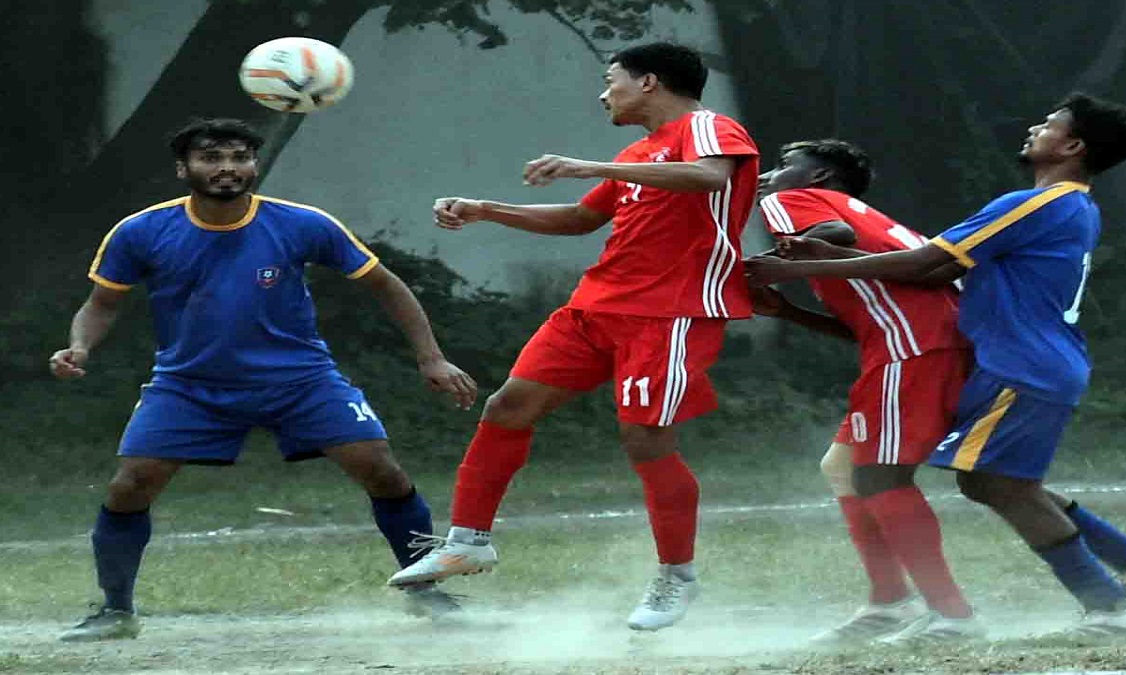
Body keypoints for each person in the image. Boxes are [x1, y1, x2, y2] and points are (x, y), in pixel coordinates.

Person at [745, 93, 1126, 638]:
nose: (1034, 128)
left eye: (1049, 124)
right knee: (989, 482)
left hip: (1023, 363)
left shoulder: (1033, 204)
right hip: (1029, 360)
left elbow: (930, 265)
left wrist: (799, 267)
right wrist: (822, 275)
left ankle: (1113, 607)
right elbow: (931, 269)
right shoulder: (1074, 207)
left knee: (1002, 486)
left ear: (1072, 145)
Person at [50, 118, 478, 642]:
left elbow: (387, 286)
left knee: (382, 470)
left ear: (253, 165)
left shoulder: (301, 223)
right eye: (211, 158)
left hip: (301, 380)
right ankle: (115, 613)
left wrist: (430, 358)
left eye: (239, 157)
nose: (227, 168)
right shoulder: (141, 230)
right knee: (131, 483)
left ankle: (428, 593)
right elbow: (102, 304)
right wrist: (79, 346)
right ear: (184, 168)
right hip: (189, 385)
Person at [386, 42, 760, 631]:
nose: (603, 92)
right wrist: (487, 209)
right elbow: (581, 219)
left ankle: (676, 578)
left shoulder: (708, 127)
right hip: (595, 308)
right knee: (508, 405)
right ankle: (467, 540)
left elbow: (710, 176)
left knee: (645, 442)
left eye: (611, 80)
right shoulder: (638, 153)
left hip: (672, 315)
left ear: (649, 82)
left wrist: (591, 165)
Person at [753, 139, 982, 644]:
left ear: (817, 179)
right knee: (843, 468)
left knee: (880, 476)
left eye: (784, 166)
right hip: (916, 345)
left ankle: (953, 615)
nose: (770, 177)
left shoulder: (793, 203)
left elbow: (830, 235)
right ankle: (889, 603)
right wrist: (787, 310)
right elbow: (865, 321)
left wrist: (777, 259)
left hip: (915, 349)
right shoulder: (866, 215)